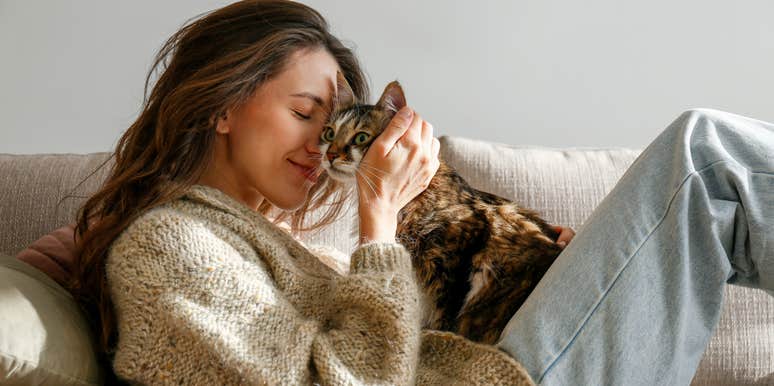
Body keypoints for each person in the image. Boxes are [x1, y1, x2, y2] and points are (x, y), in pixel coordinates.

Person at [70, 1, 774, 385]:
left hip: (500, 358)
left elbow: (414, 344)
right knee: (707, 157)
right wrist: (377, 221)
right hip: (505, 380)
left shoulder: (272, 247)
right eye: (303, 112)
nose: (323, 146)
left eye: (333, 123)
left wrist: (558, 281)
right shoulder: (168, 244)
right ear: (222, 106)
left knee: (706, 184)